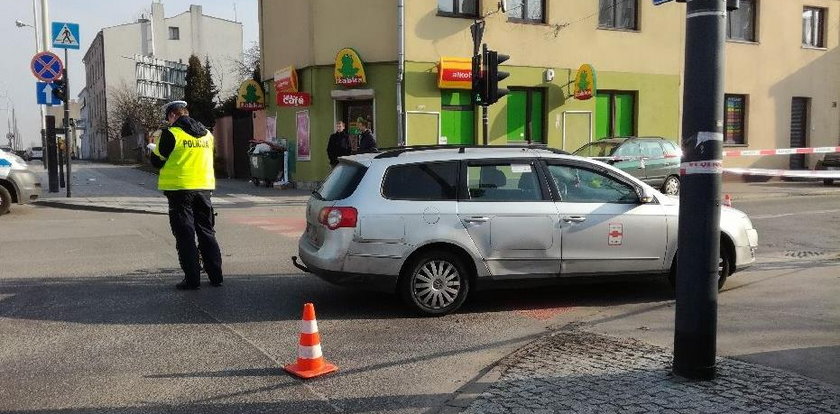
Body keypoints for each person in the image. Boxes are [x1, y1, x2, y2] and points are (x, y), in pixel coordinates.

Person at [150, 101, 224, 290]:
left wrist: (153, 148)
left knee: (185, 235)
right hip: (204, 189)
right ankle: (216, 276)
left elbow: (157, 161)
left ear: (173, 116)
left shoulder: (171, 134)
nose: (169, 122)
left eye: (169, 118)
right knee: (207, 232)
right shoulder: (207, 134)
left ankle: (192, 280)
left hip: (179, 191)